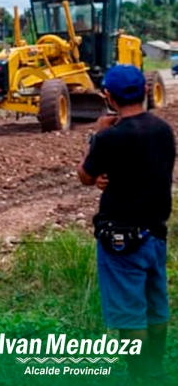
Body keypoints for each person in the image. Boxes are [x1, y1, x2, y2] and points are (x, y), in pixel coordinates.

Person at [78, 64, 176, 380]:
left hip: (120, 239)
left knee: (129, 316)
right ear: (145, 91)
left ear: (108, 96)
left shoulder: (110, 139)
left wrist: (97, 135)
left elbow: (85, 175)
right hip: (155, 235)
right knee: (156, 307)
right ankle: (156, 370)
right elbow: (144, 169)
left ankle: (141, 376)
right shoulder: (164, 131)